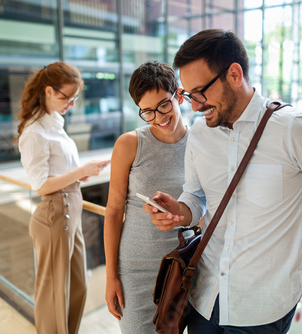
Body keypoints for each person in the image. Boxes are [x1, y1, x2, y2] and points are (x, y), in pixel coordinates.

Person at [143, 29, 302, 333]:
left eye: (199, 92)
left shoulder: (296, 130)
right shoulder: (199, 134)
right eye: (188, 95)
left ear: (234, 75)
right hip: (203, 297)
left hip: (262, 310)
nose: (194, 106)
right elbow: (195, 197)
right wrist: (180, 211)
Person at [14, 61, 110, 334]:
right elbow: (41, 185)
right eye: (66, 97)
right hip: (55, 216)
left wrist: (80, 174)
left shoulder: (56, 124)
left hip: (71, 214)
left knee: (77, 288)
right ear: (48, 91)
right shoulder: (35, 132)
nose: (71, 103)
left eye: (75, 97)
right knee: (54, 294)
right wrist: (78, 171)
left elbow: (59, 173)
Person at [104, 61, 189, 333]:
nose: (159, 117)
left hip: (184, 268)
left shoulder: (201, 141)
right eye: (148, 112)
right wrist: (110, 276)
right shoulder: (130, 144)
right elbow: (114, 210)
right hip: (135, 270)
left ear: (178, 95)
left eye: (164, 105)